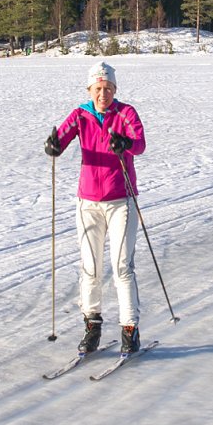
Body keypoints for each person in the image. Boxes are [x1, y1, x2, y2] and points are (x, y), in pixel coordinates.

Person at [44, 61, 147, 354]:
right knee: (90, 267)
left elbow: (139, 144)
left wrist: (124, 143)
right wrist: (53, 145)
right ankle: (92, 326)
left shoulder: (126, 113)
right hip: (88, 203)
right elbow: (61, 139)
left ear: (115, 89)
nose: (103, 94)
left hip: (121, 200)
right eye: (98, 89)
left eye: (108, 88)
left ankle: (130, 328)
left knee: (122, 266)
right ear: (90, 89)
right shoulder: (81, 114)